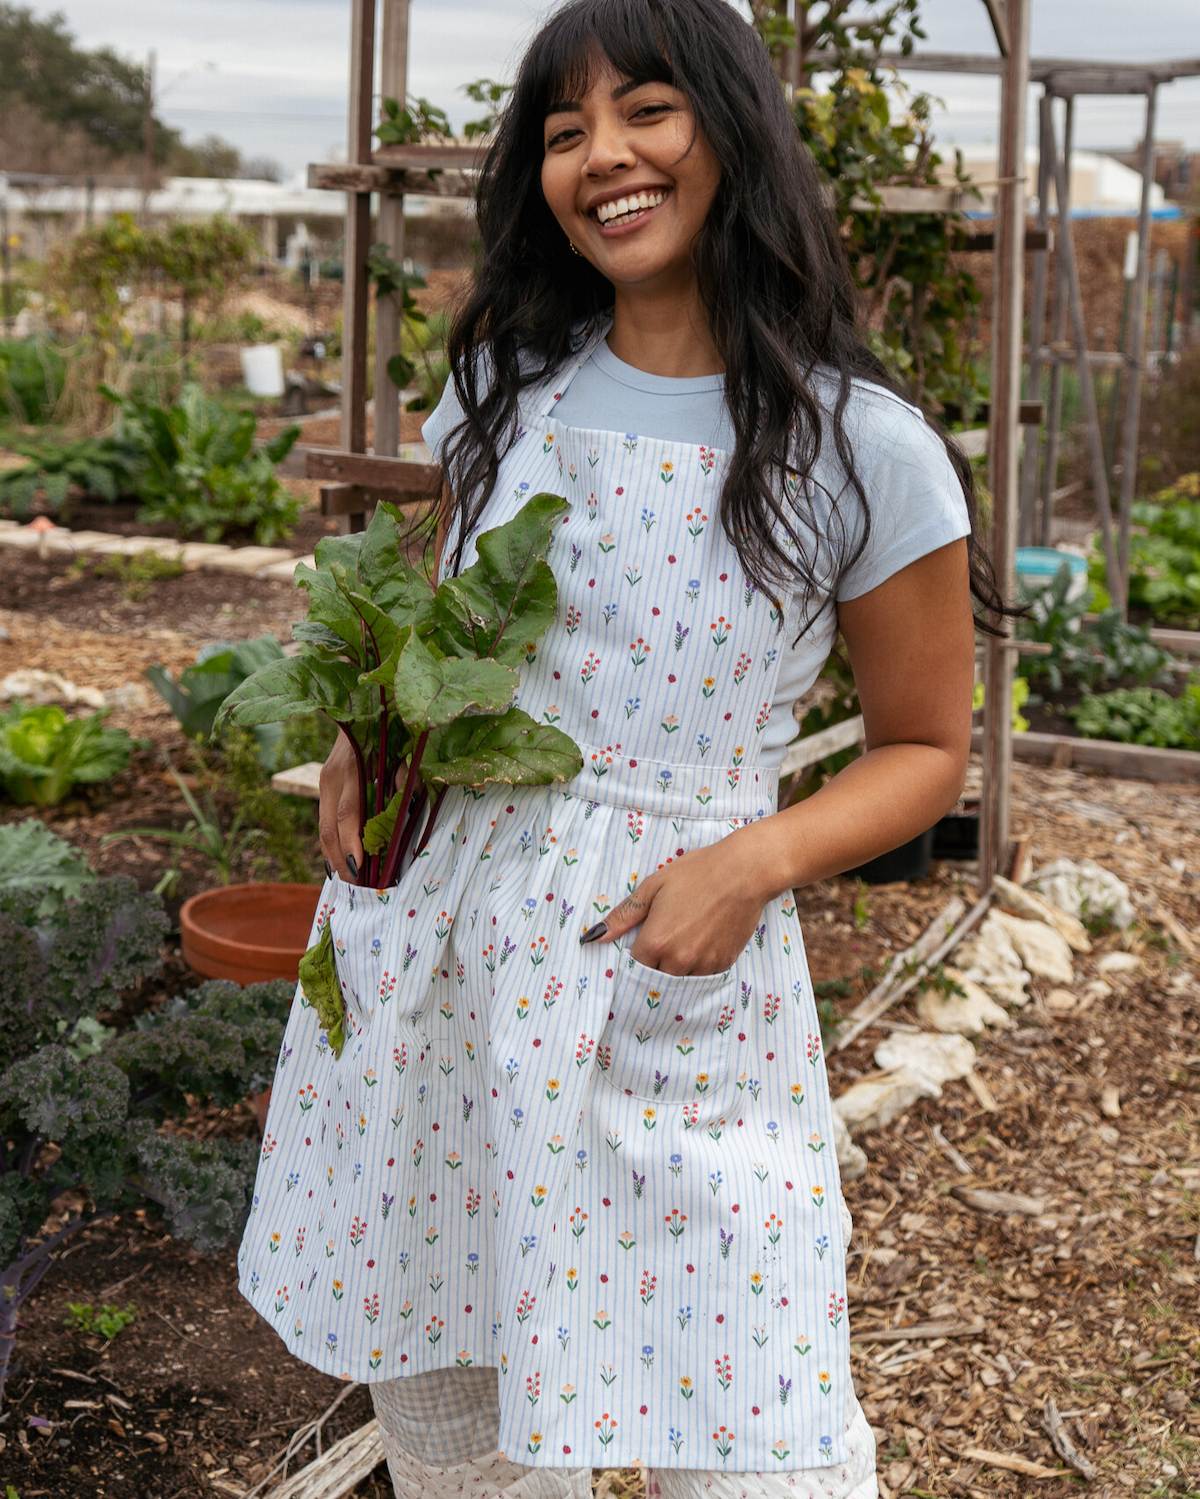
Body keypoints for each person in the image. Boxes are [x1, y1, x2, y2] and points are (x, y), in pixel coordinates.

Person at [237, 1, 1021, 1494]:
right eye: (562, 132)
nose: (605, 157)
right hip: (449, 930)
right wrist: (370, 731)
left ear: (730, 132)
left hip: (667, 935)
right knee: (447, 1344)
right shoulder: (502, 392)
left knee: (747, 1389)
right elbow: (451, 628)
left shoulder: (864, 445)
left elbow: (927, 749)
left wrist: (751, 863)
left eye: (646, 111)